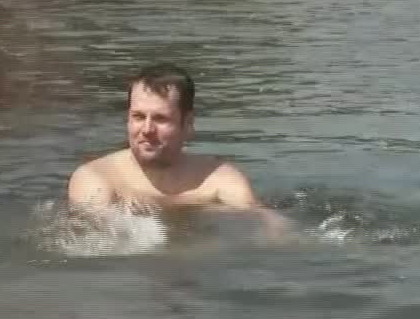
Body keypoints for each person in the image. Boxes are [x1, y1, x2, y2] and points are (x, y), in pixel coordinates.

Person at [67, 63, 288, 235]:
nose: (147, 129)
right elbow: (100, 237)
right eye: (138, 117)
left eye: (161, 119)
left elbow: (265, 223)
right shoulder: (97, 178)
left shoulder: (217, 178)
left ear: (188, 124)